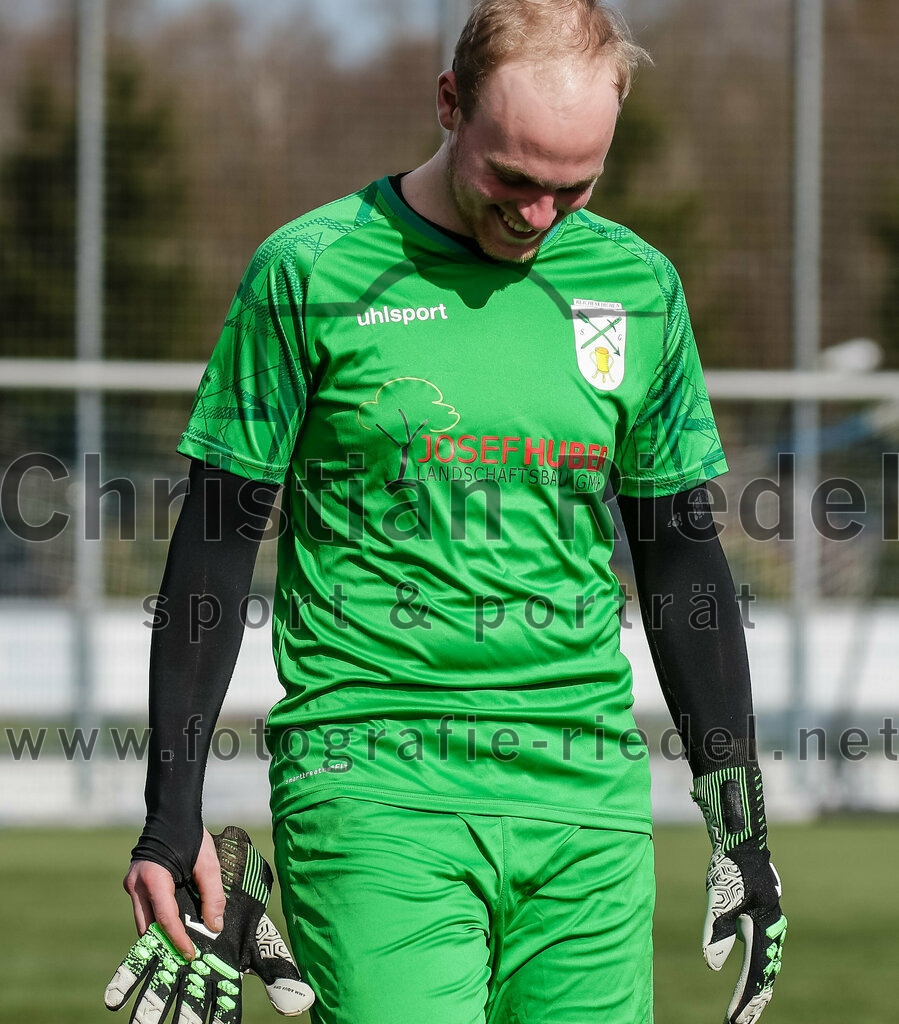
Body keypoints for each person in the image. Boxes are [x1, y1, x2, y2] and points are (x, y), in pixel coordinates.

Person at [122, 2, 786, 1023]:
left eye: (574, 186)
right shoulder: (309, 269)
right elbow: (212, 549)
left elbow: (680, 558)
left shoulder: (638, 286)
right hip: (372, 793)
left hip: (588, 805)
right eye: (511, 179)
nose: (538, 215)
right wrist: (173, 817)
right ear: (447, 104)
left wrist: (738, 818)